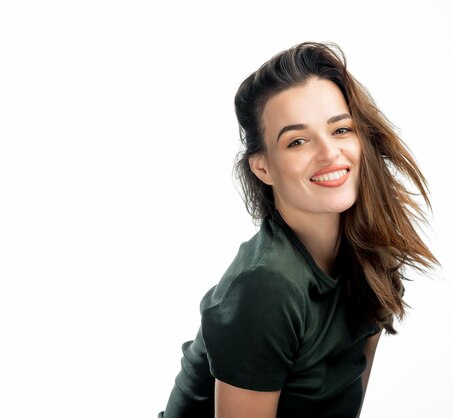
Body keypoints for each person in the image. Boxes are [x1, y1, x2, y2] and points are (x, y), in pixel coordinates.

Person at [158, 41, 438, 418]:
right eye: (297, 141)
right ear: (263, 168)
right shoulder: (265, 288)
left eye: (340, 130)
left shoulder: (373, 254)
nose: (329, 153)